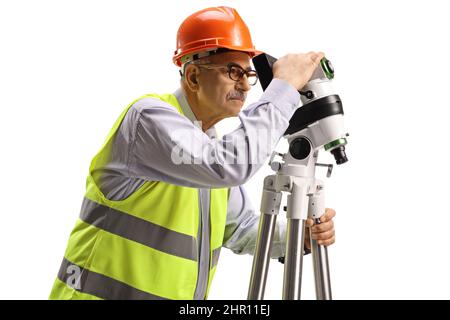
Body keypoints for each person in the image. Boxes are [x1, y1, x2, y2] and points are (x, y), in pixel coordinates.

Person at [49, 6, 336, 300]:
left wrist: (298, 236)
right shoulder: (148, 120)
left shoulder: (205, 147)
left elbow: (242, 229)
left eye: (248, 73)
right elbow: (227, 165)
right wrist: (283, 88)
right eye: (233, 71)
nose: (246, 85)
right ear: (194, 77)